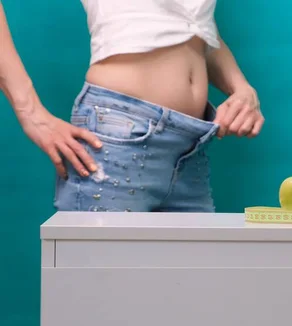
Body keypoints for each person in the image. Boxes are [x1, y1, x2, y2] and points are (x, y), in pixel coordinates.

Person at [0, 0, 264, 212]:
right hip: (118, 141)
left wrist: (241, 88)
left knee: (192, 278)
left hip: (192, 147)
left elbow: (194, 27)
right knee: (102, 278)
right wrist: (30, 113)